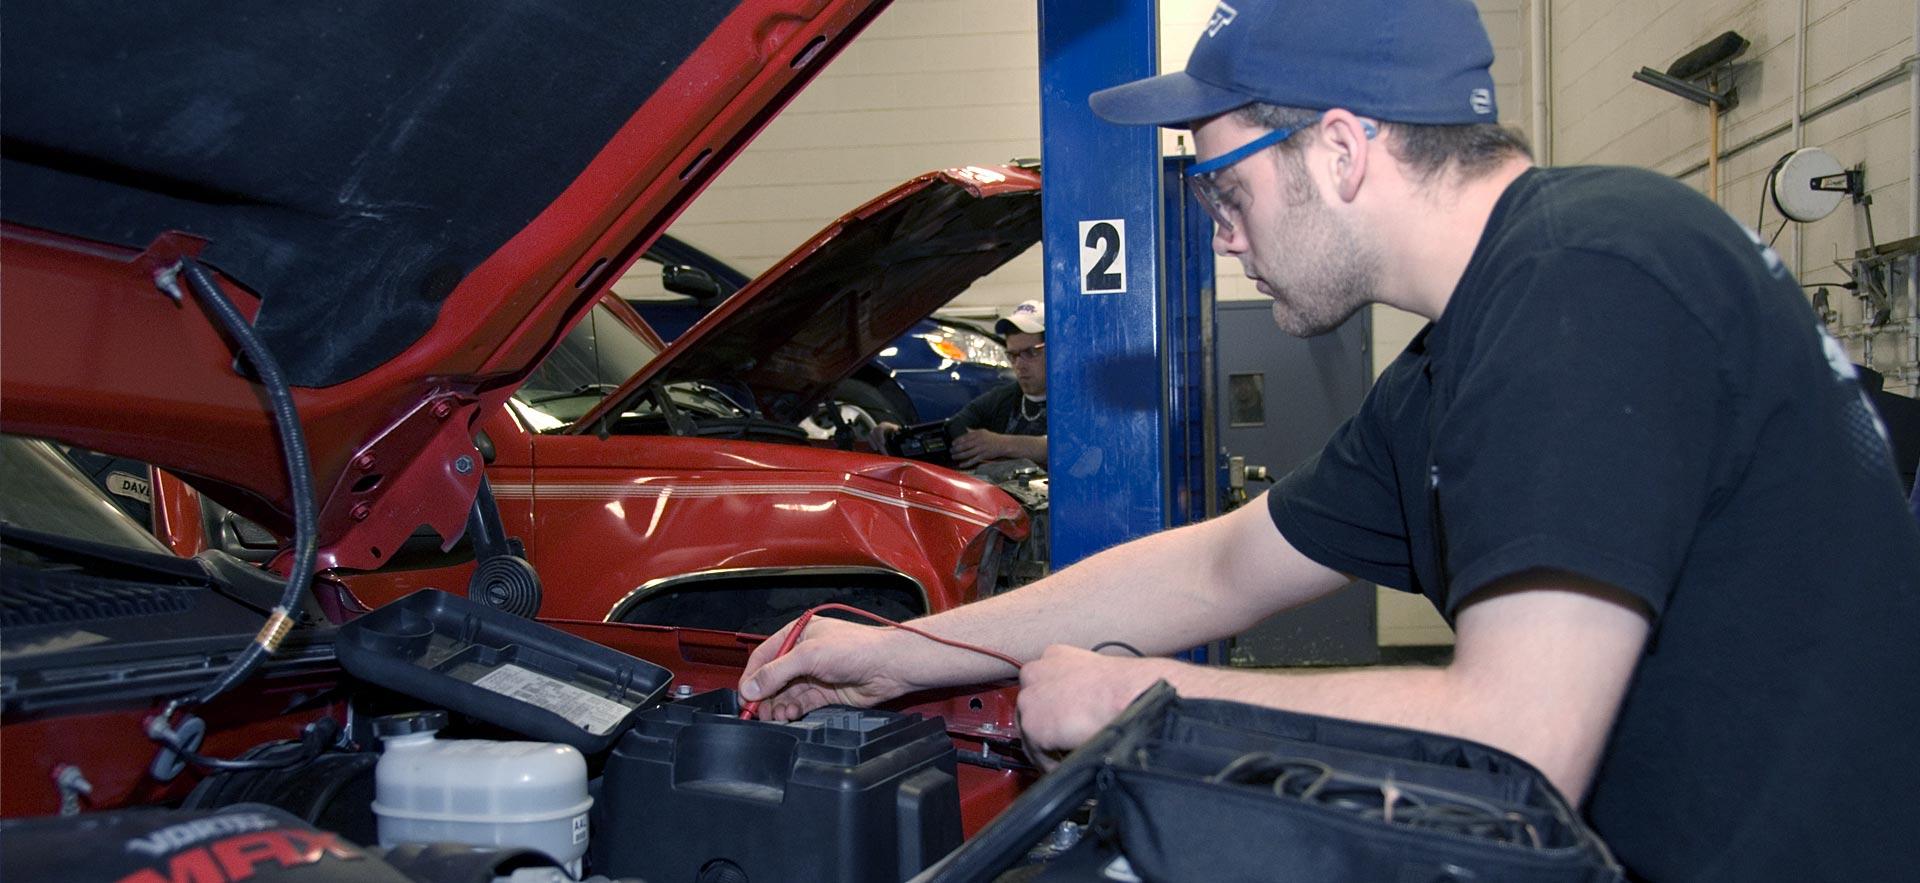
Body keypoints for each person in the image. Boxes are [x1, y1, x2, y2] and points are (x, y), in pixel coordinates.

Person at [740, 1, 1920, 879]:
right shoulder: (1469, 348)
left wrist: (1141, 698)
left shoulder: (1587, 275)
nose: (1221, 237)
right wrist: (910, 649)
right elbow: (1219, 566)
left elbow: (1522, 735)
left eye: (1222, 192)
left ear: (1344, 148)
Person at [870, 299, 1048, 469]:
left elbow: (1068, 447)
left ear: (1057, 348)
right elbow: (951, 430)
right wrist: (900, 435)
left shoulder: (1072, 398)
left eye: (1031, 353)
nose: (1019, 365)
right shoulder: (1003, 398)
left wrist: (1001, 444)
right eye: (1013, 355)